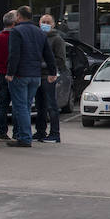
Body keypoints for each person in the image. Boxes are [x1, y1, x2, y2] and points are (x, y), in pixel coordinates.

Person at [5, 6, 57, 148]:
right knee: (26, 106)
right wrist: (53, 72)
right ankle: (24, 135)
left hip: (21, 74)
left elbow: (14, 54)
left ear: (19, 17)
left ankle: (24, 137)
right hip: (35, 75)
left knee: (20, 106)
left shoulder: (16, 31)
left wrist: (10, 73)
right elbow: (48, 54)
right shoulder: (40, 32)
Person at [34, 14, 66, 143]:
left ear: (53, 24)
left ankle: (54, 133)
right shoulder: (37, 38)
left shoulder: (57, 39)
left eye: (48, 22)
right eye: (43, 22)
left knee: (52, 106)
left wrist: (45, 65)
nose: (45, 24)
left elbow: (61, 60)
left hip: (49, 76)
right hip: (36, 76)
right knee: (39, 106)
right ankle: (40, 131)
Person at [0, 10, 17, 141]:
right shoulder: (17, 37)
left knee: (2, 105)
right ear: (14, 23)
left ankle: (1, 132)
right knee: (18, 105)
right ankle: (17, 132)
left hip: (1, 73)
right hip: (16, 74)